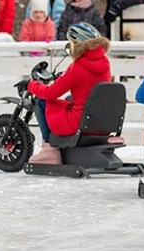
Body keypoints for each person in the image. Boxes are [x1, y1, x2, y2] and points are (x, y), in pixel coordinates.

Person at [25, 22, 112, 165]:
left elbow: (50, 93)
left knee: (41, 101)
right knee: (70, 98)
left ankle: (50, 150)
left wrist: (30, 85)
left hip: (80, 123)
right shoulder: (104, 62)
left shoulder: (79, 67)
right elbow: (86, 85)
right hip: (99, 121)